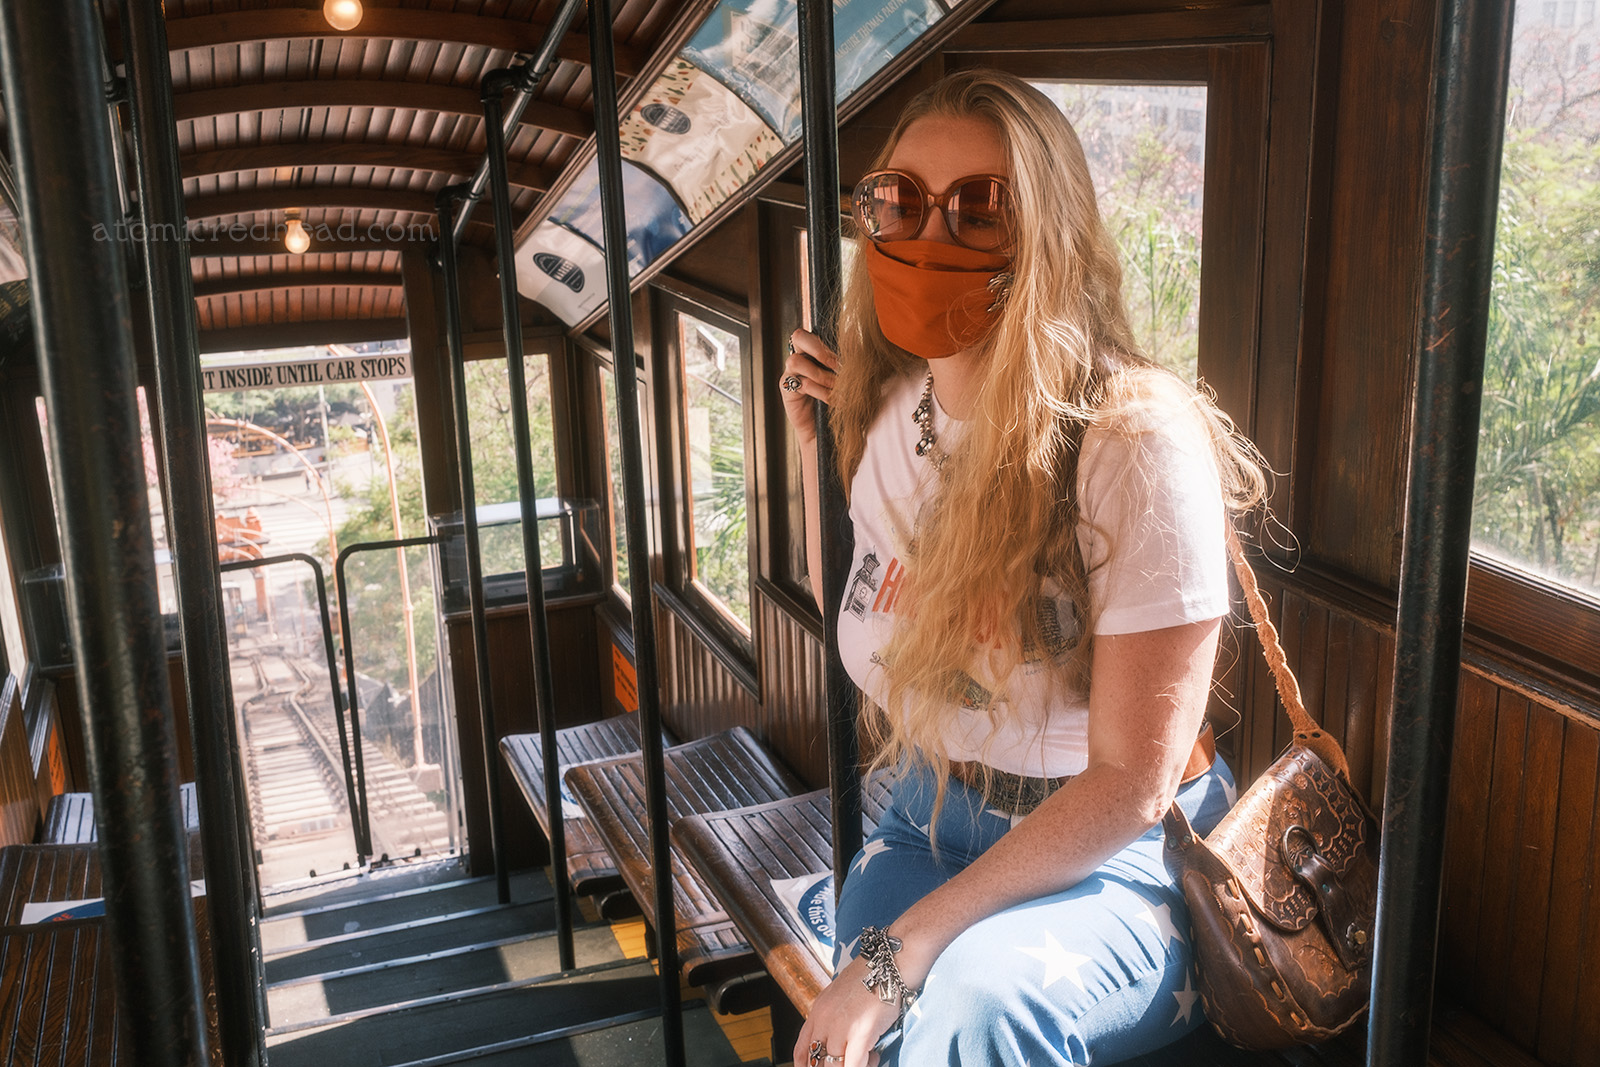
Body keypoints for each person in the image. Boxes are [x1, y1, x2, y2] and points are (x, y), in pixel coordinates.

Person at [778, 70, 1267, 1067]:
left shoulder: (1132, 438)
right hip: (926, 812)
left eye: (979, 209)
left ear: (1046, 232)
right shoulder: (890, 413)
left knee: (973, 1006)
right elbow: (880, 600)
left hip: (1118, 850)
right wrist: (819, 445)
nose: (928, 237)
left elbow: (1130, 780)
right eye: (899, 202)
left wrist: (903, 949)